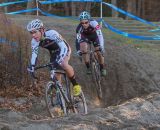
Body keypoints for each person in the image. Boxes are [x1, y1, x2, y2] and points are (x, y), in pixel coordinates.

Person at [27, 19, 81, 96]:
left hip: (64, 49)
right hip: (53, 53)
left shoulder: (52, 33)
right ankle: (61, 95)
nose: (33, 35)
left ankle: (76, 85)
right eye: (31, 33)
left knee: (63, 64)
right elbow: (34, 54)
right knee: (55, 72)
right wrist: (32, 66)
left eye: (35, 32)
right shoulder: (34, 41)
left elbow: (63, 47)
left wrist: (60, 58)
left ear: (42, 30)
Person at [75, 11, 106, 76]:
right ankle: (88, 67)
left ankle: (102, 68)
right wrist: (78, 50)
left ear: (89, 21)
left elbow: (100, 35)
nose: (84, 24)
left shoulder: (94, 23)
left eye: (86, 22)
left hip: (95, 36)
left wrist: (102, 46)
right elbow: (77, 40)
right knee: (84, 49)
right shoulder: (78, 28)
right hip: (85, 37)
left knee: (99, 52)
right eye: (82, 23)